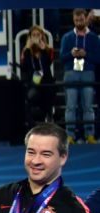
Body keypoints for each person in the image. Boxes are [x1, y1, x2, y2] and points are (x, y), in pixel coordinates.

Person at [60, 9, 99, 143]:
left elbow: (98, 58)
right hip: (71, 73)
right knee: (71, 107)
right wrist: (71, 54)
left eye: (81, 20)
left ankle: (90, 135)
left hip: (88, 73)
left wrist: (86, 54)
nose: (79, 22)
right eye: (76, 20)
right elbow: (62, 58)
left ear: (85, 19)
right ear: (73, 20)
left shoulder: (93, 37)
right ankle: (70, 136)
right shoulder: (67, 37)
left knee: (87, 106)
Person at [21, 25, 57, 126]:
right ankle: (30, 123)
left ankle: (49, 116)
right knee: (29, 96)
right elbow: (24, 68)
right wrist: (28, 49)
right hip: (33, 84)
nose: (36, 37)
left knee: (49, 92)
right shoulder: (26, 51)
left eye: (38, 35)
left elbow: (46, 67)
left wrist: (42, 50)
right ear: (30, 37)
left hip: (46, 83)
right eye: (34, 35)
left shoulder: (48, 50)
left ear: (42, 36)